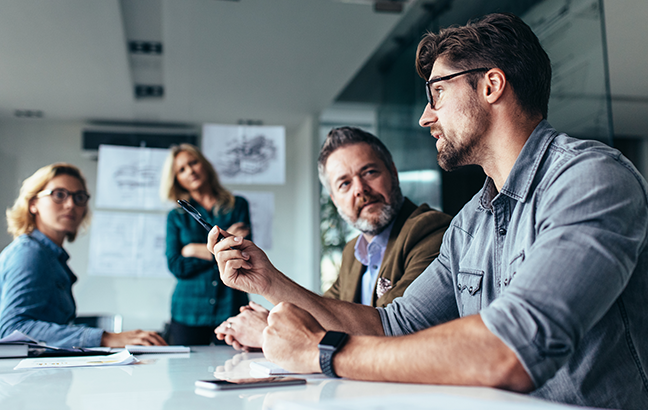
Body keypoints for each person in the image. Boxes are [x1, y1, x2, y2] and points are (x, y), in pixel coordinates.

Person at [208, 12, 648, 410]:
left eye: (437, 92)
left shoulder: (590, 179)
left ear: (491, 86)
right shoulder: (471, 221)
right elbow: (391, 325)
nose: (425, 117)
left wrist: (323, 352)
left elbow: (511, 348)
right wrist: (267, 280)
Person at [214, 127, 452, 350]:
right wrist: (273, 320)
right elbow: (323, 314)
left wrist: (268, 331)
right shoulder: (353, 252)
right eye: (345, 183)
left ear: (393, 173)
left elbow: (390, 331)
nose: (360, 189)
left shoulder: (431, 230)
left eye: (369, 172)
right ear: (334, 199)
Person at [0, 163, 166, 348]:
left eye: (79, 197)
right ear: (33, 204)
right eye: (59, 195)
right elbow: (12, 330)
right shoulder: (30, 253)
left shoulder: (51, 256)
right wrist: (105, 338)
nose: (71, 204)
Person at [160, 143, 251, 345]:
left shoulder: (238, 206)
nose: (190, 171)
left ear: (205, 165)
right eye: (182, 170)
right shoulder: (176, 217)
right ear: (177, 180)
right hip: (188, 311)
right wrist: (222, 249)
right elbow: (176, 265)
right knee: (184, 374)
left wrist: (192, 250)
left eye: (193, 163)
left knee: (234, 369)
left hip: (231, 307)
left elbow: (243, 255)